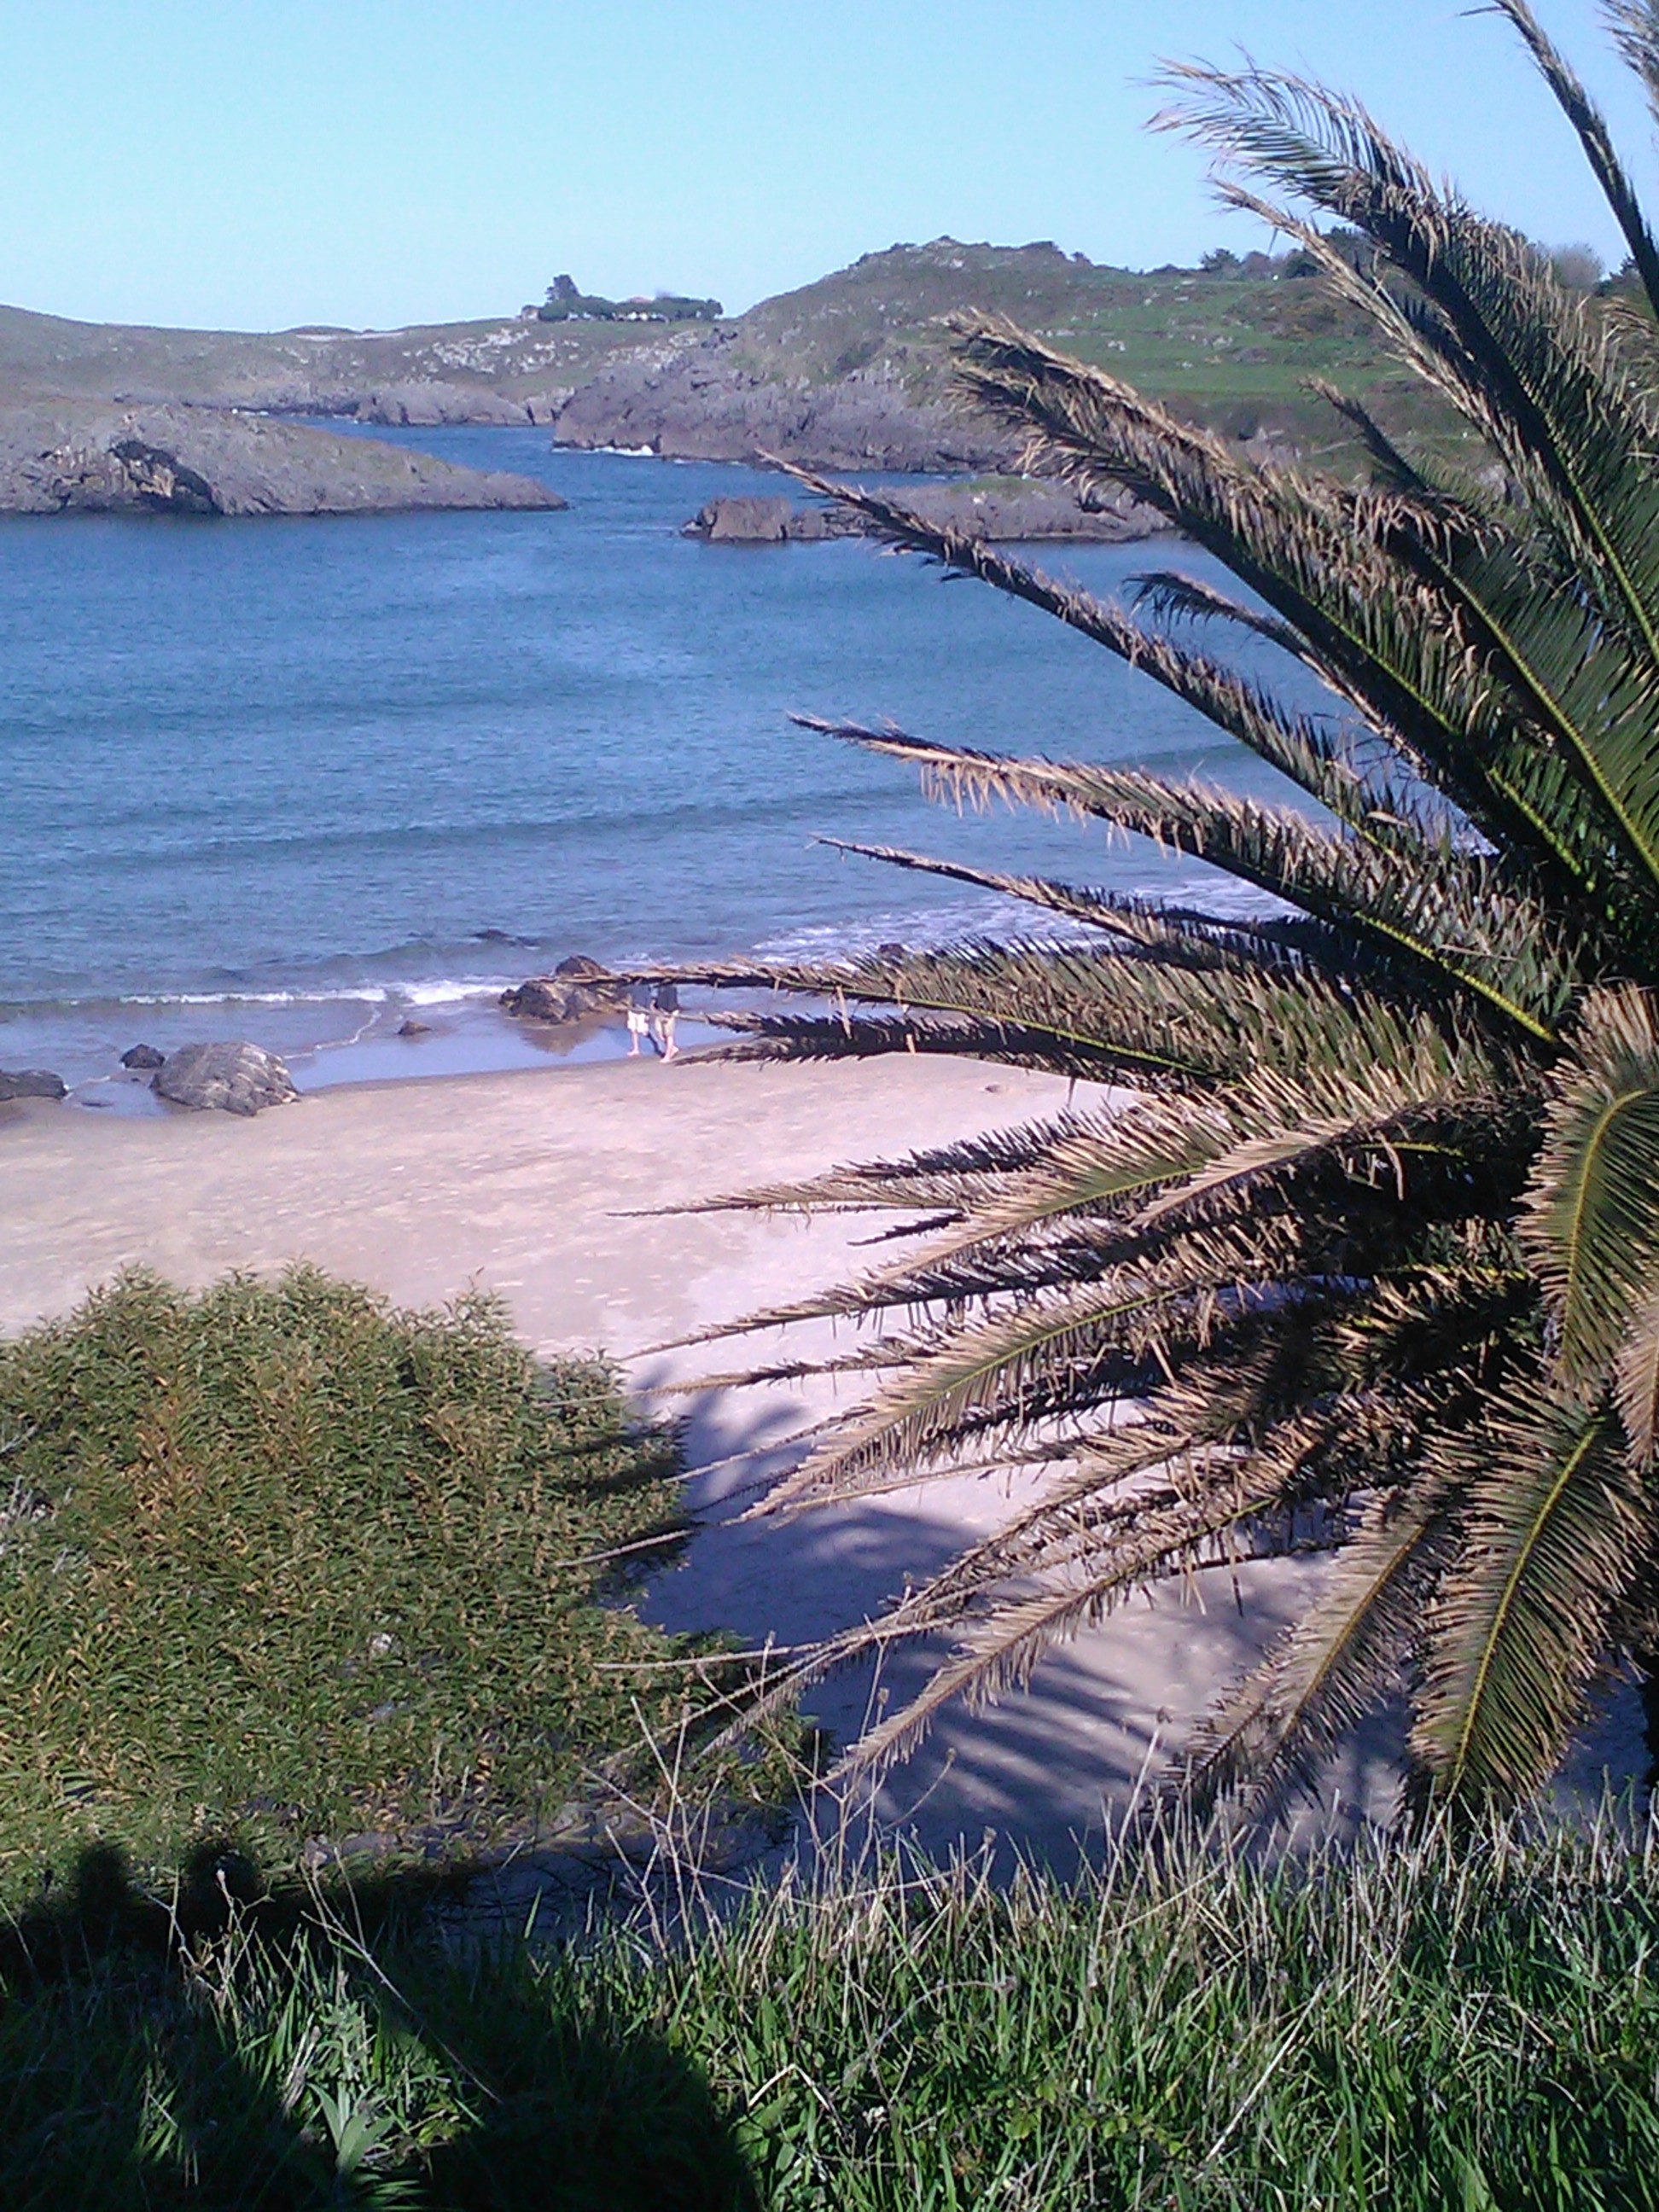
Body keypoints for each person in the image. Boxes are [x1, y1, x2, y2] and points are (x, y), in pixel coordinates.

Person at [651, 979, 680, 1061]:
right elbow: (660, 999)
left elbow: (672, 1002)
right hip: (660, 1011)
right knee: (659, 1032)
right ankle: (672, 1048)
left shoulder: (671, 988)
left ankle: (668, 1055)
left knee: (669, 1034)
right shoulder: (660, 987)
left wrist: (669, 1015)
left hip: (669, 1012)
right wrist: (655, 1004)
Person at [626, 981, 653, 1057]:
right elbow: (626, 992)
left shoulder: (645, 987)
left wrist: (647, 1013)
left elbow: (648, 1000)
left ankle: (657, 1043)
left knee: (643, 1031)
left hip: (642, 1011)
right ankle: (636, 1049)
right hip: (632, 1010)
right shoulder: (632, 986)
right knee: (633, 1030)